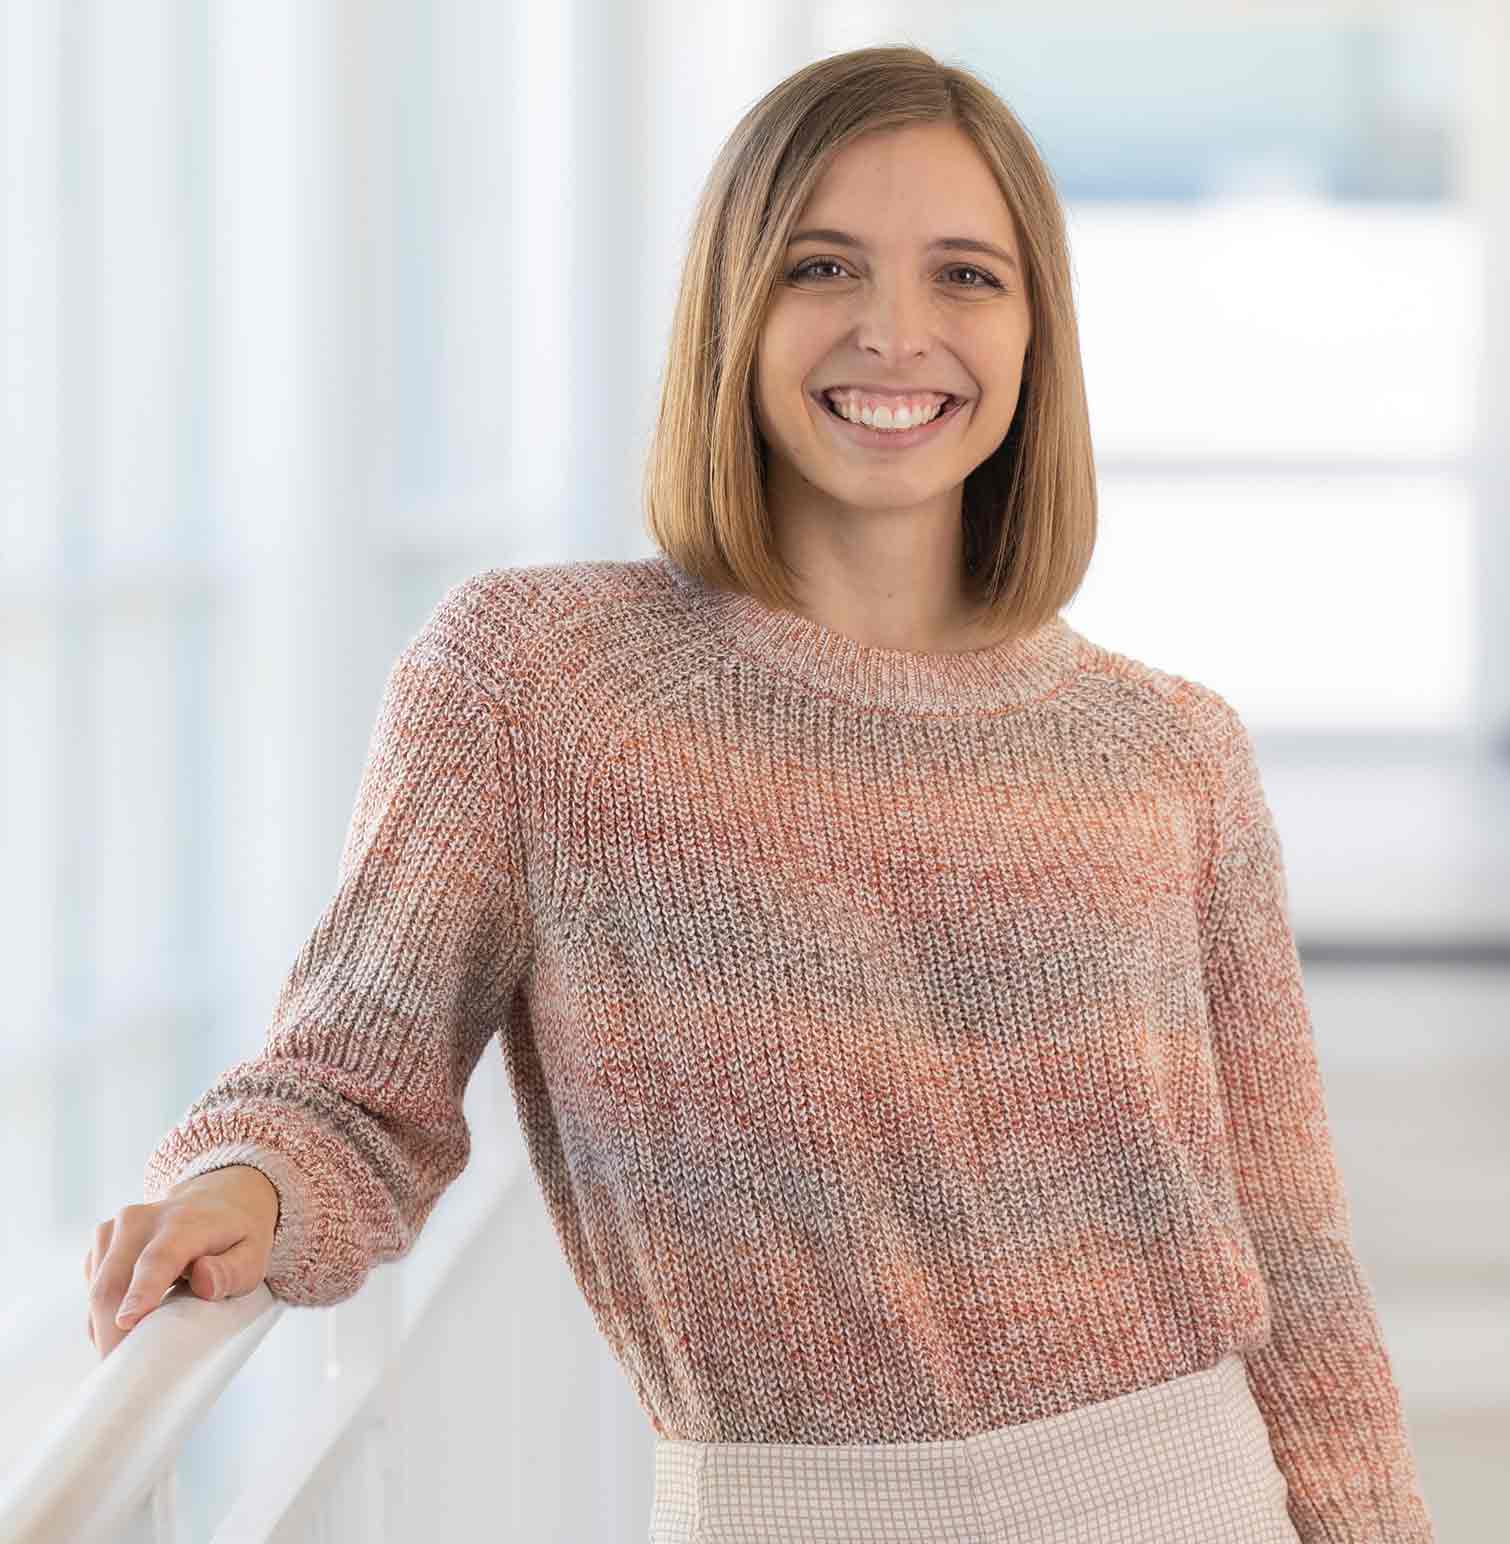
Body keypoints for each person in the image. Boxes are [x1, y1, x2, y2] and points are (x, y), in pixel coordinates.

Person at [87, 43, 1436, 1544]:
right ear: (734, 306)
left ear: (1039, 331)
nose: (895, 332)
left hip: (1186, 1498)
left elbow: (1296, 1258)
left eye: (967, 278)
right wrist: (241, 1185)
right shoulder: (537, 684)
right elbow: (351, 1091)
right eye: (824, 265)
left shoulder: (1171, 749)